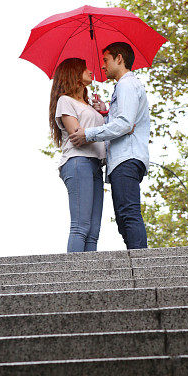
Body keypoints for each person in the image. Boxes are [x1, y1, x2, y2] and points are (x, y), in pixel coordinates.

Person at [69, 42, 149, 250]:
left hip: (127, 158)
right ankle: (137, 261)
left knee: (128, 214)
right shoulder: (122, 87)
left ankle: (141, 264)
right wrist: (105, 112)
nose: (102, 66)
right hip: (122, 159)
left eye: (105, 60)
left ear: (119, 59)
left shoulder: (127, 85)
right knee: (124, 218)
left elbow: (124, 124)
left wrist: (89, 134)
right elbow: (122, 122)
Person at [50, 57, 107, 252]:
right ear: (73, 74)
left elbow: (97, 134)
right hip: (77, 161)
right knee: (80, 227)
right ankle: (73, 279)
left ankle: (90, 281)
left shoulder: (91, 105)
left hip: (96, 165)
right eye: (85, 69)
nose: (91, 71)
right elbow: (76, 135)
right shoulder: (65, 101)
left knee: (93, 231)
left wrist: (104, 113)